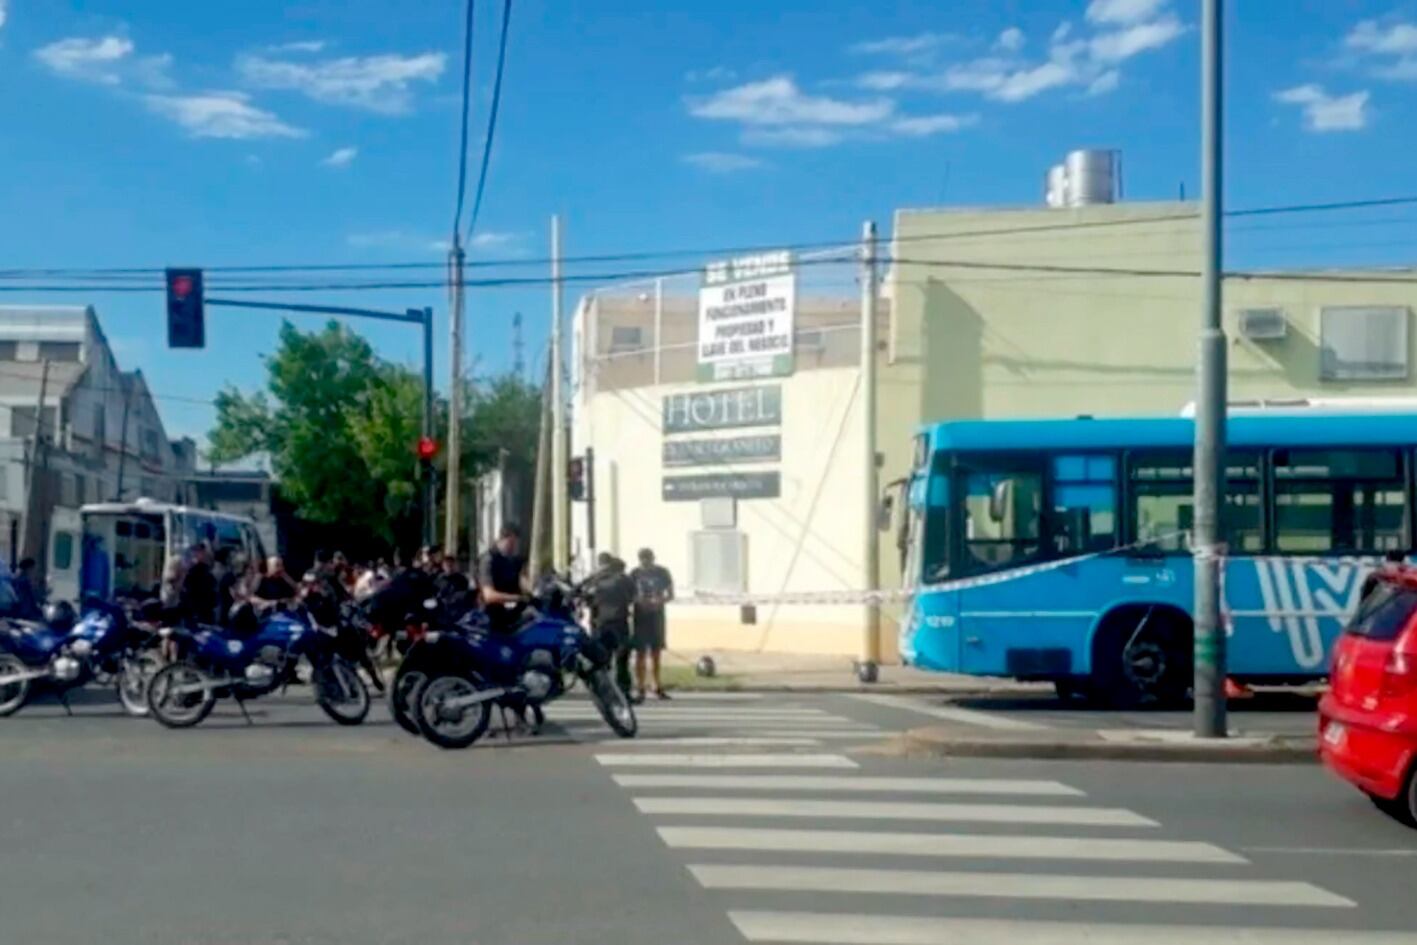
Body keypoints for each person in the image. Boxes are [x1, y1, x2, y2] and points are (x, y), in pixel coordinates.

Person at [587, 552, 637, 696]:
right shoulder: (623, 579)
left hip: (600, 622)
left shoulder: (595, 579)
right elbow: (634, 598)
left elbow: (587, 599)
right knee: (621, 659)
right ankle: (623, 691)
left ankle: (604, 691)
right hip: (618, 621)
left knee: (603, 660)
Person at [630, 547, 675, 701]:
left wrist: (660, 600)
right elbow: (630, 595)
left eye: (648, 559)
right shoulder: (634, 573)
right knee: (640, 653)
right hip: (640, 617)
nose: (645, 562)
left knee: (656, 653)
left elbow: (670, 594)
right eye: (642, 559)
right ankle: (640, 686)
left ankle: (657, 685)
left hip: (657, 616)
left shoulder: (662, 572)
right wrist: (639, 601)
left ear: (653, 558)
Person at [477, 524, 529, 632]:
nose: (513, 547)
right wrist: (517, 598)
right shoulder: (488, 560)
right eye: (511, 543)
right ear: (501, 539)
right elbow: (489, 595)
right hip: (492, 617)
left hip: (512, 614)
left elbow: (522, 583)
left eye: (515, 544)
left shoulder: (512, 560)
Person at [178, 541, 218, 627]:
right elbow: (186, 588)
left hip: (205, 607)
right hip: (194, 607)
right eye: (197, 552)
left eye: (201, 552)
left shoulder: (206, 569)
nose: (199, 554)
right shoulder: (192, 569)